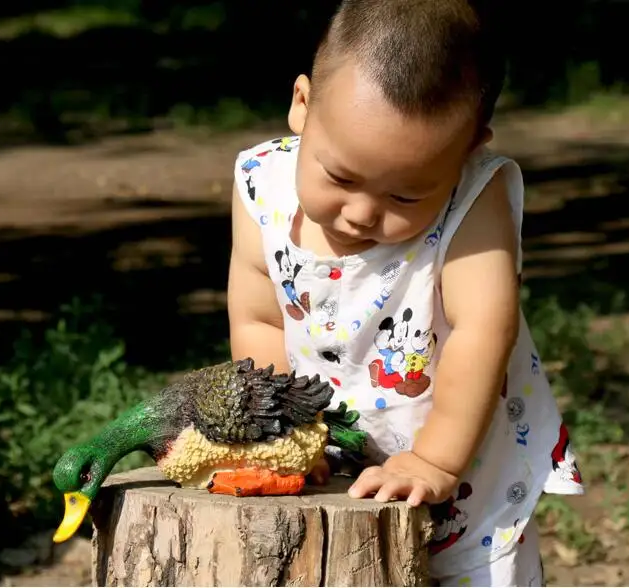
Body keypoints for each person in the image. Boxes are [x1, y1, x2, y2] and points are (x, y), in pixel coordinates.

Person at [226, 0, 585, 585]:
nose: (362, 213)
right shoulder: (262, 183)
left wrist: (436, 461)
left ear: (468, 152)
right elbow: (260, 314)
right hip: (335, 466)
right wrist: (284, 432)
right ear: (302, 104)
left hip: (462, 476)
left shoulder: (474, 200)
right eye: (339, 177)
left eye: (406, 198)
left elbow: (483, 330)